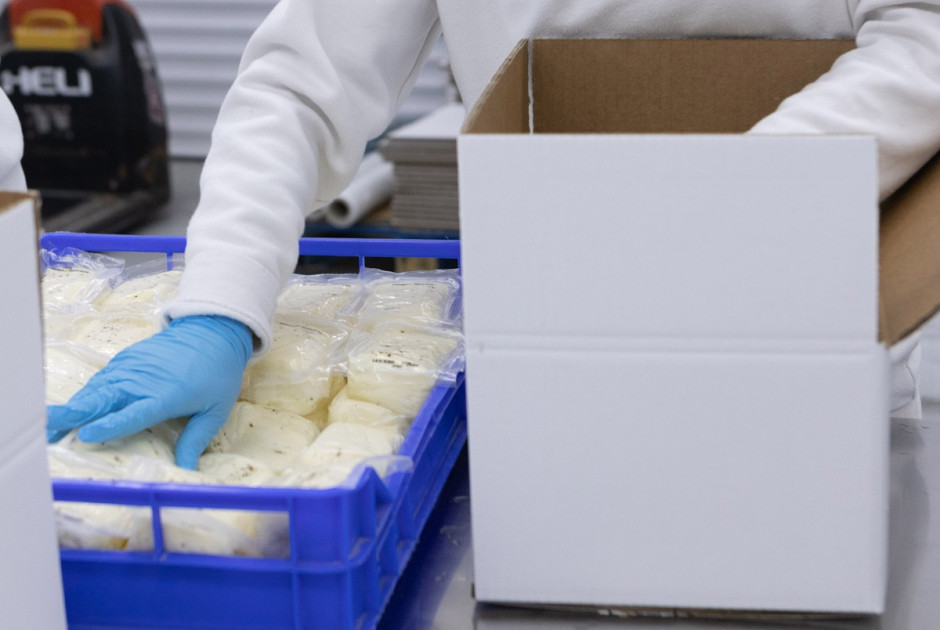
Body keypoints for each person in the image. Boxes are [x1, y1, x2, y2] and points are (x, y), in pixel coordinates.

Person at [45, 0, 940, 468]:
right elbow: (301, 88)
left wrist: (722, 202)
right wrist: (219, 303)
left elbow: (925, 33)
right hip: (548, 360)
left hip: (811, 345)